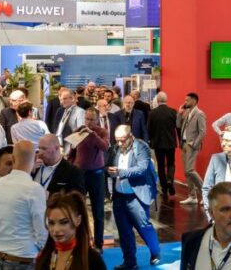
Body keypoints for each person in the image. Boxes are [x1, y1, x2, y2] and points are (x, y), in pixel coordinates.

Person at [108, 125, 161, 269]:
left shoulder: (142, 147)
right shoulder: (114, 149)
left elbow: (142, 169)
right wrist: (108, 171)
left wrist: (120, 172)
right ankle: (130, 262)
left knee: (143, 226)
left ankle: (155, 251)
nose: (119, 143)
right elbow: (107, 165)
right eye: (117, 140)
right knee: (124, 232)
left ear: (130, 136)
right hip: (119, 196)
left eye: (122, 140)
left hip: (136, 195)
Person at [0, 140, 49, 269]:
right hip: (24, 258)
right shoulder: (34, 189)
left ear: (13, 158)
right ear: (35, 159)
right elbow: (42, 230)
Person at [35, 191, 108, 270]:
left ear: (78, 220)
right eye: (51, 223)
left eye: (64, 222)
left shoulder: (92, 260)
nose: (56, 229)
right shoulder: (43, 258)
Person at [70, 109, 110, 250]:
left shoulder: (102, 132)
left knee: (98, 211)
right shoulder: (79, 131)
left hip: (96, 174)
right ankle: (80, 243)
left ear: (97, 120)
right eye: (86, 119)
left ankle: (98, 244)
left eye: (91, 119)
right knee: (77, 210)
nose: (88, 122)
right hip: (79, 174)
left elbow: (105, 147)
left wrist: (92, 134)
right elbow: (72, 151)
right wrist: (71, 166)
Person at [148, 92, 178, 197]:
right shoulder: (173, 112)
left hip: (158, 143)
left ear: (157, 100)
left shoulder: (152, 113)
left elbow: (149, 128)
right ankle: (170, 180)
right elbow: (177, 127)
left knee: (160, 165)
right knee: (171, 163)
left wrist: (150, 140)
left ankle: (164, 188)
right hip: (170, 142)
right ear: (166, 100)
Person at [179, 93, 207, 206]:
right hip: (184, 144)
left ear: (194, 101)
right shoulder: (187, 112)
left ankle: (206, 193)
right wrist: (179, 113)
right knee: (187, 173)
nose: (185, 102)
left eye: (187, 100)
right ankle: (192, 196)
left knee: (189, 170)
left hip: (191, 145)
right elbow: (178, 125)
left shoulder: (200, 114)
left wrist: (195, 144)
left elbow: (202, 132)